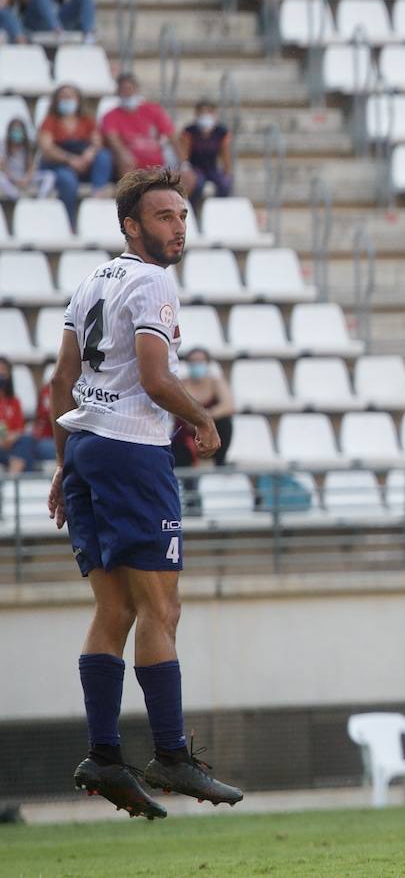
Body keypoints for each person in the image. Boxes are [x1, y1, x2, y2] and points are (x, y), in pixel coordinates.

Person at [47, 168, 243, 819]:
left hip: (88, 450)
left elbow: (61, 382)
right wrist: (203, 417)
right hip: (132, 453)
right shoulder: (153, 280)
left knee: (117, 611)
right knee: (162, 608)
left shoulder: (90, 281)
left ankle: (104, 755)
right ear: (131, 225)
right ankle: (169, 753)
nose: (177, 227)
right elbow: (157, 380)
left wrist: (64, 461)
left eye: (182, 216)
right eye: (163, 217)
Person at [101, 73, 196, 190]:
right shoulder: (110, 116)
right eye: (123, 89)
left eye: (130, 89)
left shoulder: (153, 110)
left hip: (158, 165)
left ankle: (181, 206)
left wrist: (184, 164)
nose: (127, 93)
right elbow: (113, 139)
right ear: (118, 92)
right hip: (131, 165)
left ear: (136, 90)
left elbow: (172, 136)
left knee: (188, 177)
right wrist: (123, 154)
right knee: (125, 165)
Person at [37, 83, 113, 224]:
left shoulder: (87, 120)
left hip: (83, 161)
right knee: (67, 180)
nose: (67, 100)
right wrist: (70, 159)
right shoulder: (50, 121)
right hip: (60, 164)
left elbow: (97, 142)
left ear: (78, 100)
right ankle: (69, 221)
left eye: (70, 97)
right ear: (56, 101)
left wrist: (88, 155)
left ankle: (97, 198)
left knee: (103, 156)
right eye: (63, 97)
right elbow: (47, 148)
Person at [171, 348, 234, 470]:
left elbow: (229, 405)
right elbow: (175, 408)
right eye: (193, 362)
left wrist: (204, 418)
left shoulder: (215, 382)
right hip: (187, 434)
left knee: (225, 422)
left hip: (211, 430)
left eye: (200, 361)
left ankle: (220, 461)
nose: (197, 365)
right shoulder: (182, 384)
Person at [0, 357, 56, 472]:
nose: (1, 374)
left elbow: (20, 428)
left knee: (26, 441)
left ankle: (14, 479)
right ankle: (16, 482)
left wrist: (12, 437)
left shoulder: (14, 402)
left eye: (4, 371)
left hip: (13, 444)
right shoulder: (48, 392)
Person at [177, 100, 233, 207]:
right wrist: (185, 167)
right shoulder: (189, 131)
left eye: (209, 112)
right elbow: (184, 152)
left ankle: (219, 209)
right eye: (202, 112)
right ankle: (192, 209)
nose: (205, 115)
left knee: (224, 184)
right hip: (195, 168)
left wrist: (227, 172)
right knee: (197, 185)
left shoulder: (221, 132)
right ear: (196, 114)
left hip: (212, 168)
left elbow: (225, 154)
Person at [0, 118, 56, 201]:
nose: (17, 133)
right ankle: (18, 197)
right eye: (14, 130)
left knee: (50, 176)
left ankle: (40, 199)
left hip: (25, 177)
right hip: (10, 177)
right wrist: (14, 179)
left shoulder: (29, 146)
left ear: (23, 132)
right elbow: (3, 167)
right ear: (9, 131)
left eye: (19, 130)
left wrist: (26, 179)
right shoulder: (3, 146)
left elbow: (31, 167)